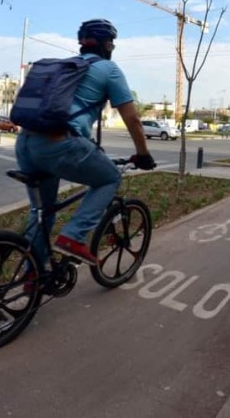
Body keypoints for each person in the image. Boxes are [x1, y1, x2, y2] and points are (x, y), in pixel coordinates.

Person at [15, 18, 155, 267]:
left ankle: (31, 277)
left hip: (26, 142)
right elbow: (132, 119)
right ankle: (73, 237)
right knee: (110, 178)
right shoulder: (109, 70)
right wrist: (143, 154)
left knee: (42, 213)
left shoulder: (68, 68)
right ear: (108, 46)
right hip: (59, 145)